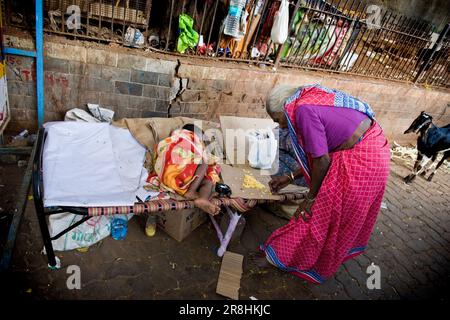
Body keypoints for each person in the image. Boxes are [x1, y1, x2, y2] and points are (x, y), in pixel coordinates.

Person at [259, 84, 390, 284]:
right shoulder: (309, 99)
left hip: (363, 161)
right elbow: (321, 154)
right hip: (373, 150)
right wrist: (290, 178)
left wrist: (310, 199)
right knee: (329, 216)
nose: (281, 126)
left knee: (317, 214)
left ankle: (283, 257)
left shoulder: (302, 110)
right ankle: (306, 255)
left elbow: (322, 161)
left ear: (284, 108)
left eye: (277, 120)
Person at [145, 124, 221, 236]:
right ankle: (196, 194)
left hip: (167, 176)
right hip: (182, 172)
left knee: (206, 175)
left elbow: (161, 149)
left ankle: (201, 198)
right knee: (206, 166)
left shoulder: (173, 138)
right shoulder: (186, 138)